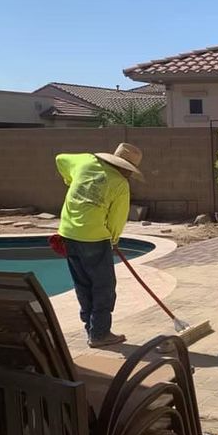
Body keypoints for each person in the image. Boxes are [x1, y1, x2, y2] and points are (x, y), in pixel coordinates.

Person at [55, 143, 144, 348]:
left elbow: (60, 158)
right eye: (129, 171)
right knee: (103, 287)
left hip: (68, 234)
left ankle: (91, 329)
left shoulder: (85, 162)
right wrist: (113, 240)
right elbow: (117, 219)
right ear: (123, 167)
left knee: (83, 283)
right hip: (94, 238)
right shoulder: (120, 184)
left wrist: (71, 180)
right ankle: (100, 334)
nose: (129, 175)